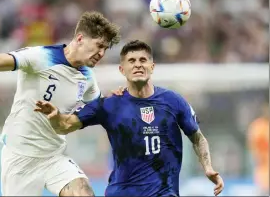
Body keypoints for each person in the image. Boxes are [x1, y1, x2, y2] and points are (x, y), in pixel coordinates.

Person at [34, 40, 225, 196]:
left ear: (152, 66)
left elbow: (197, 137)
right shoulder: (109, 104)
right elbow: (65, 125)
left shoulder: (173, 101)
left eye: (143, 60)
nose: (138, 64)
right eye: (131, 61)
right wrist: (56, 116)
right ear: (122, 69)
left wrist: (207, 167)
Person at [0, 11, 121, 196]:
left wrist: (116, 99)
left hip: (54, 157)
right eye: (99, 46)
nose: (101, 53)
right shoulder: (41, 56)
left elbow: (98, 108)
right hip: (20, 158)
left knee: (83, 193)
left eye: (105, 49)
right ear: (80, 38)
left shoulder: (87, 76)